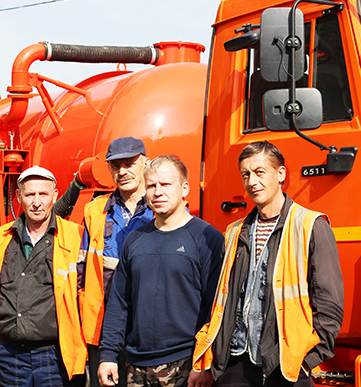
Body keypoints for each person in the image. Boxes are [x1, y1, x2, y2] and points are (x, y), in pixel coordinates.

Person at [192, 141, 344, 387]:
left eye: (260, 172)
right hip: (235, 362)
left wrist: (308, 359)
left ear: (281, 174)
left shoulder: (311, 226)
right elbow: (220, 302)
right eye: (246, 174)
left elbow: (330, 306)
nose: (252, 182)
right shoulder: (233, 232)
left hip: (285, 366)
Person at [0, 166, 87, 387]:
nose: (36, 202)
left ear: (54, 196)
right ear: (18, 197)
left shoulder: (76, 237)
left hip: (55, 356)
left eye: (43, 194)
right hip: (10, 356)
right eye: (30, 194)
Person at [97, 155, 223, 387]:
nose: (157, 192)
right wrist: (108, 355)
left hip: (185, 364)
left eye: (165, 184)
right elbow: (119, 303)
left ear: (184, 188)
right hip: (135, 365)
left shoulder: (207, 239)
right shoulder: (135, 239)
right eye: (151, 185)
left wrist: (204, 363)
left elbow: (215, 308)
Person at [78, 137, 153, 387]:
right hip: (105, 328)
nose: (122, 172)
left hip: (150, 327)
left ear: (145, 163)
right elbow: (81, 269)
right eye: (115, 166)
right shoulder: (95, 211)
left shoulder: (162, 208)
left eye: (129, 164)